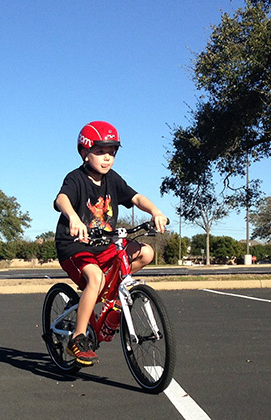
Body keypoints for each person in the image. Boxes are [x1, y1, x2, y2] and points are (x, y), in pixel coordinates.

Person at [54, 121, 169, 366]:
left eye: (112, 152)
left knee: (145, 252)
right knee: (94, 278)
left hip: (104, 244)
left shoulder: (113, 179)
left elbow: (136, 197)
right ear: (85, 153)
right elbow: (61, 199)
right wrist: (73, 217)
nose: (107, 158)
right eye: (100, 151)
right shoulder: (76, 179)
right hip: (75, 246)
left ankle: (111, 292)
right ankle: (78, 337)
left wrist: (155, 211)